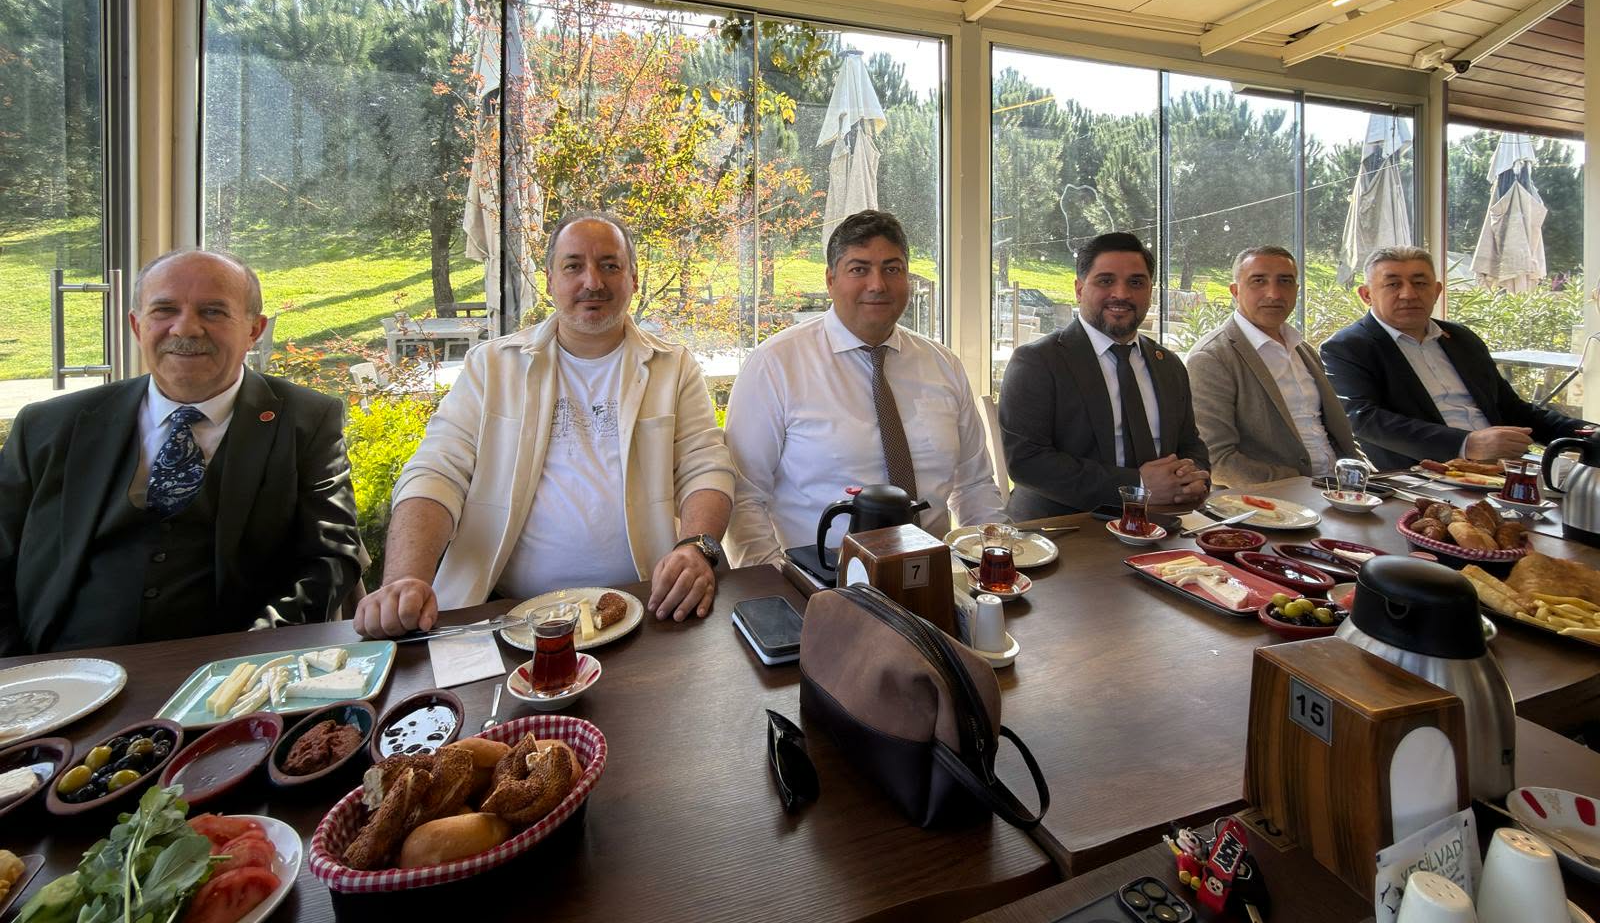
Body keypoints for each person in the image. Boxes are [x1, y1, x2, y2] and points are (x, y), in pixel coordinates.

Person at [356, 211, 734, 638]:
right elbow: (437, 473)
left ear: (633, 280)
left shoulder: (673, 367)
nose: (592, 281)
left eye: (610, 265)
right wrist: (404, 581)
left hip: (649, 605)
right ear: (550, 280)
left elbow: (706, 467)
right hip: (504, 613)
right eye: (573, 266)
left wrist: (696, 548)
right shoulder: (492, 366)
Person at [0, 250, 362, 655]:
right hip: (61, 666)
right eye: (164, 310)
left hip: (229, 670)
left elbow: (330, 556)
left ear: (254, 330)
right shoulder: (48, 427)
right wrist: (16, 670)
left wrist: (253, 657)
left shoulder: (306, 422)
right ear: (137, 326)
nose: (186, 327)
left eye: (213, 311)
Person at [724, 209, 1005, 565]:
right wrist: (775, 584)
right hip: (819, 577)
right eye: (859, 269)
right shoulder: (775, 365)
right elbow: (745, 498)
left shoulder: (943, 365)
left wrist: (995, 559)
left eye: (892, 269)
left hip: (932, 576)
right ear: (830, 280)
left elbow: (975, 486)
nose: (877, 284)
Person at [1320, 245, 1593, 470]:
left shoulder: (1461, 339)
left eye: (1420, 283)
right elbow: (1363, 419)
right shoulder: (1347, 347)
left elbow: (1512, 409)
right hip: (1425, 475)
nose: (1409, 294)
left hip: (1503, 468)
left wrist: (1586, 434)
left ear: (1437, 291)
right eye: (1393, 284)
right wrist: (1466, 444)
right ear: (1367, 295)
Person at [999, 232, 1209, 518]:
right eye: (1105, 281)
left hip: (1164, 525)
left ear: (1150, 291)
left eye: (1136, 282)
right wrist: (1138, 486)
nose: (1121, 294)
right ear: (1079, 289)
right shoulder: (1037, 362)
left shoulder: (1169, 365)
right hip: (1066, 527)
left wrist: (1194, 477)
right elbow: (1027, 461)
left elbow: (1191, 445)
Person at [1186, 246, 1363, 487]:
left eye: (1285, 281)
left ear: (1297, 290)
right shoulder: (1212, 358)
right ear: (1235, 291)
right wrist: (1304, 486)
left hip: (1342, 489)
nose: (1274, 293)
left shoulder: (1303, 350)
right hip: (1276, 498)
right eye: (1259, 281)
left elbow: (1337, 436)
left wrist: (1365, 482)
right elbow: (1217, 461)